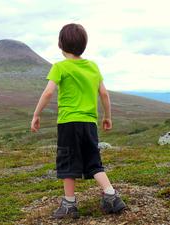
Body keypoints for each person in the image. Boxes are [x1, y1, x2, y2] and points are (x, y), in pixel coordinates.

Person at [31, 23, 126, 219]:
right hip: (89, 123)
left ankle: (69, 204)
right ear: (84, 45)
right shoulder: (93, 66)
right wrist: (107, 117)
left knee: (67, 162)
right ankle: (111, 195)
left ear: (60, 44)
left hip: (68, 123)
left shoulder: (60, 67)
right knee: (93, 160)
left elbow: (49, 92)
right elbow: (104, 94)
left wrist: (36, 114)